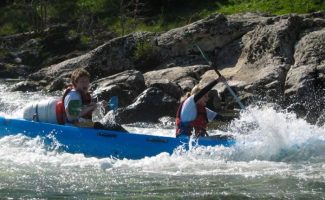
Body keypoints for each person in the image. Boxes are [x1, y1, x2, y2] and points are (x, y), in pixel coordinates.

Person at [57, 68, 127, 132]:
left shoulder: (80, 94)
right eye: (82, 81)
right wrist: (91, 107)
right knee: (101, 125)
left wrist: (99, 104)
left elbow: (82, 107)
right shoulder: (74, 96)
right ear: (75, 83)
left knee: (112, 125)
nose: (85, 84)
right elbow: (72, 117)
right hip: (73, 126)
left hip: (80, 123)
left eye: (87, 81)